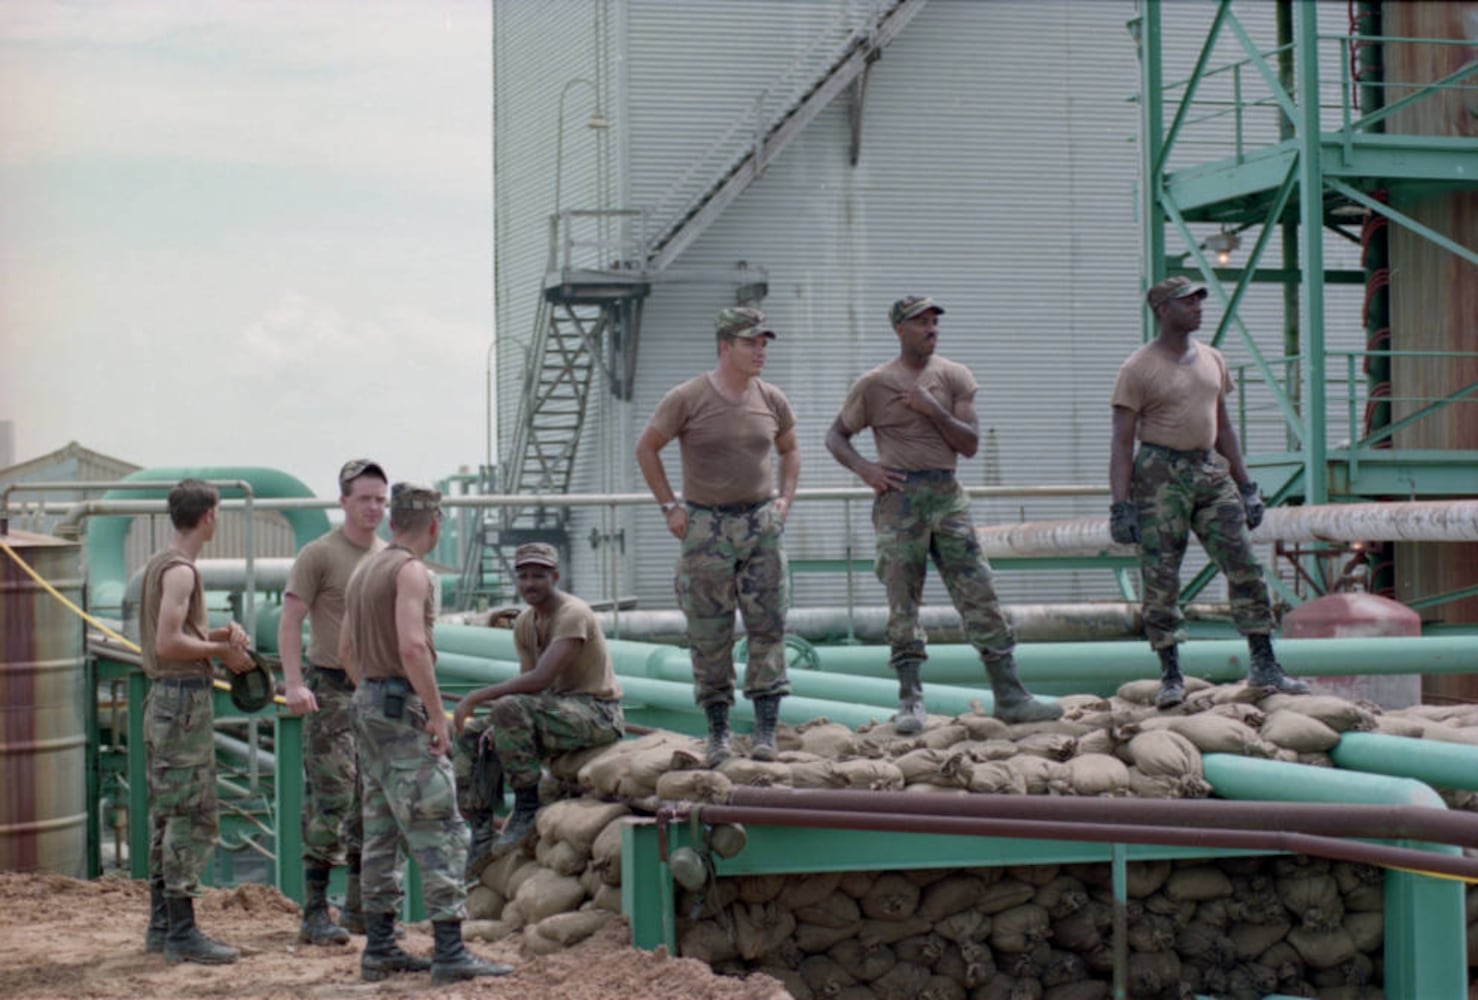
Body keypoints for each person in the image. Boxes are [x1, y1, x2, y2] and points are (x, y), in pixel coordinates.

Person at [825, 296, 1060, 732]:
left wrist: (932, 409)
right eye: (921, 323)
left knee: (979, 591)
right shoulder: (874, 384)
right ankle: (910, 699)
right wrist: (866, 470)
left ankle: (1010, 694)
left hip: (946, 494)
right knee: (902, 599)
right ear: (899, 328)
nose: (931, 329)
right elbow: (836, 436)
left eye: (934, 322)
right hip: (900, 498)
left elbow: (968, 445)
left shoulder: (954, 377)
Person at [1109, 276, 1311, 708]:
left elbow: (1225, 428)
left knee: (1243, 562)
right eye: (1187, 301)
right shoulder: (1137, 369)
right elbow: (1122, 442)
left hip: (1208, 470)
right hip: (1159, 473)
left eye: (1200, 299)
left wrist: (1247, 486)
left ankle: (1264, 662)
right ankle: (1170, 674)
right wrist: (1121, 505)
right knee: (1161, 575)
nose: (1198, 306)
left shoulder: (1213, 360)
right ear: (1163, 309)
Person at [340, 483, 511, 984]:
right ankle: (451, 950)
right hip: (400, 709)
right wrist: (435, 715)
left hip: (367, 705)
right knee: (440, 827)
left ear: (393, 521)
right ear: (435, 525)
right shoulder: (411, 571)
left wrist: (373, 695)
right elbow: (413, 646)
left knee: (381, 830)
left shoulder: (364, 569)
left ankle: (381, 946)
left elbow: (345, 650)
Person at [635, 306, 800, 768]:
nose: (760, 351)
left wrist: (785, 499)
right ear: (725, 346)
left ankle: (766, 729)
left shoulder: (771, 398)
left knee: (769, 628)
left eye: (764, 342)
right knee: (710, 634)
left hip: (760, 526)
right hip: (705, 527)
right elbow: (647, 448)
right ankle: (719, 731)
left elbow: (790, 448)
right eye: (751, 343)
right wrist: (670, 505)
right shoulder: (687, 397)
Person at [452, 542, 625, 883]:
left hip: (596, 712)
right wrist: (500, 725)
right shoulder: (526, 622)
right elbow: (530, 685)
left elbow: (540, 678)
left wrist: (476, 697)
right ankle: (482, 827)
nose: (530, 584)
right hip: (557, 710)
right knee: (474, 734)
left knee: (507, 708)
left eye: (539, 576)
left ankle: (527, 804)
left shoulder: (572, 614)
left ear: (555, 577)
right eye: (524, 577)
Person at [138, 479, 255, 964]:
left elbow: (175, 632)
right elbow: (169, 643)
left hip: (166, 700)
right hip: (182, 701)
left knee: (169, 813)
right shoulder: (182, 572)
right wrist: (222, 650)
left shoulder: (159, 565)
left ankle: (162, 925)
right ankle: (182, 931)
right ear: (208, 515)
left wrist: (217, 633)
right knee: (191, 815)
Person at [277, 459, 388, 944]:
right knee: (332, 798)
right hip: (330, 688)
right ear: (343, 501)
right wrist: (294, 683)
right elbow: (289, 620)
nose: (373, 508)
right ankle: (315, 912)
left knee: (372, 798)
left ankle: (361, 909)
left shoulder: (388, 556)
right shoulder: (320, 554)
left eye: (380, 500)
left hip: (377, 691)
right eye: (364, 499)